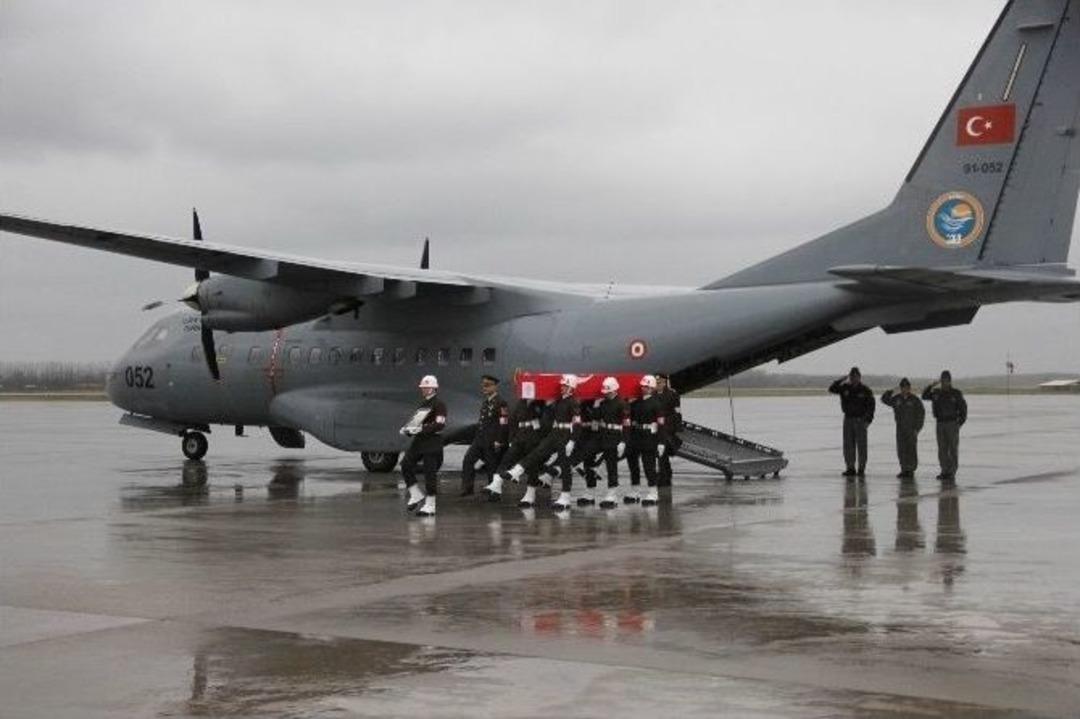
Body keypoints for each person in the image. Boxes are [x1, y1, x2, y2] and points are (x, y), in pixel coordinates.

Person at [491, 374, 582, 510]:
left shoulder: (573, 402)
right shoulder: (559, 401)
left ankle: (565, 496)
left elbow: (577, 423)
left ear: (571, 388)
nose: (562, 388)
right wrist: (549, 405)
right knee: (538, 452)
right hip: (555, 433)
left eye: (566, 386)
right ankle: (517, 470)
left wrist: (572, 441)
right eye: (562, 385)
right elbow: (549, 417)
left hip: (566, 435)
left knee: (564, 465)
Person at [399, 374, 448, 516]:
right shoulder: (423, 405)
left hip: (432, 442)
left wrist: (422, 429)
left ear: (434, 388)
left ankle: (431, 505)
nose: (424, 390)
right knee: (406, 464)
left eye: (426, 387)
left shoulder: (439, 404)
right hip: (419, 441)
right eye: (423, 387)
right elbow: (416, 422)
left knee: (429, 474)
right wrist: (407, 429)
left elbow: (440, 423)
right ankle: (415, 494)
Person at [460, 374, 509, 496]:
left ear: (495, 387)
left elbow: (504, 423)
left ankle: (494, 493)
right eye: (483, 386)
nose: (485, 388)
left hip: (491, 440)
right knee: (468, 459)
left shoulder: (501, 403)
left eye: (487, 386)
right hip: (480, 439)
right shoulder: (486, 402)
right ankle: (468, 487)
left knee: (492, 467)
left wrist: (499, 440)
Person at [491, 398, 544, 504]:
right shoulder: (519, 402)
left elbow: (546, 420)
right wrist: (511, 439)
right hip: (519, 436)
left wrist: (538, 433)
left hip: (533, 435)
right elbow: (512, 421)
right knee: (507, 459)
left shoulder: (540, 402)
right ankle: (496, 484)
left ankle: (530, 493)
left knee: (532, 465)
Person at [829, 367, 875, 478]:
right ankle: (850, 468)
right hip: (848, 420)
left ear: (860, 377)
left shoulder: (865, 390)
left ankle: (861, 469)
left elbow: (871, 406)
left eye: (856, 377)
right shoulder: (845, 388)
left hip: (861, 420)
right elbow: (831, 389)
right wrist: (841, 379)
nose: (854, 379)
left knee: (861, 446)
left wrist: (868, 420)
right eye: (852, 377)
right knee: (848, 445)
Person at [922, 370, 967, 482]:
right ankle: (944, 471)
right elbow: (924, 396)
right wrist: (932, 385)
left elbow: (963, 409)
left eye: (947, 380)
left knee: (952, 448)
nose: (945, 383)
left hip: (952, 423)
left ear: (950, 381)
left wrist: (958, 424)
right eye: (943, 380)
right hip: (940, 423)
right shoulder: (937, 393)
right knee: (942, 449)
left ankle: (951, 472)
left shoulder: (956, 393)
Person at [595, 376, 630, 508]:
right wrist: (596, 406)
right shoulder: (603, 403)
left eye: (608, 391)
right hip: (605, 436)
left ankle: (612, 494)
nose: (606, 393)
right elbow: (596, 416)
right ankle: (609, 492)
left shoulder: (622, 404)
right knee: (607, 465)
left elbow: (626, 425)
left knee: (612, 466)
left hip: (616, 438)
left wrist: (623, 442)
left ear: (615, 390)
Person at [630, 375, 666, 506]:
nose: (643, 388)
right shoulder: (637, 402)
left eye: (646, 386)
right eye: (643, 386)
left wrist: (661, 442)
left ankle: (653, 492)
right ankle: (635, 490)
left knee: (648, 466)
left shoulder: (657, 404)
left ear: (651, 388)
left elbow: (661, 425)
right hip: (637, 436)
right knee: (633, 465)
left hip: (649, 438)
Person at [881, 378, 925, 478]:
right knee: (901, 450)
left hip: (911, 429)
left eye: (906, 387)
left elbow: (921, 414)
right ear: (900, 388)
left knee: (911, 450)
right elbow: (884, 399)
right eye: (902, 387)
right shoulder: (897, 399)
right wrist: (892, 391)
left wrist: (917, 428)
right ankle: (904, 469)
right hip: (900, 428)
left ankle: (911, 470)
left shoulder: (915, 400)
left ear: (909, 388)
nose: (904, 389)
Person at [655, 373, 682, 487]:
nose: (658, 385)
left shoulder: (672, 394)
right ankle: (666, 473)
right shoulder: (652, 395)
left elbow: (677, 412)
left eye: (660, 382)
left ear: (665, 382)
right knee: (660, 453)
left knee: (663, 453)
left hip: (668, 427)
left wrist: (677, 428)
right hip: (656, 427)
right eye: (656, 383)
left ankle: (664, 477)